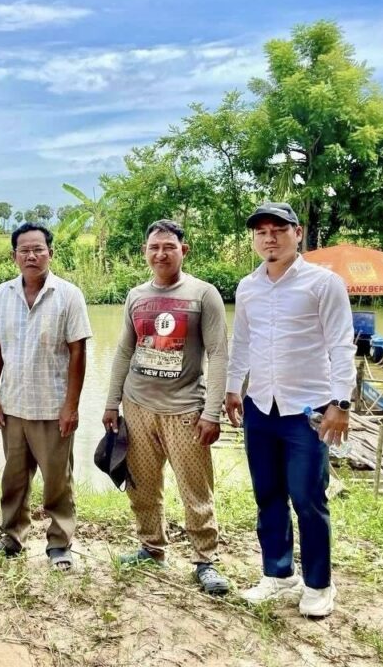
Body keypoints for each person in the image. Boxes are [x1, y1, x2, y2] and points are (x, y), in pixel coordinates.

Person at [224, 202, 355, 618]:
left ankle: (319, 584)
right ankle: (278, 574)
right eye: (261, 232)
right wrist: (232, 388)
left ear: (297, 233)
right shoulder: (248, 287)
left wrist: (341, 403)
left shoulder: (324, 283)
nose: (270, 239)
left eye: (279, 230)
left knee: (308, 498)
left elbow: (341, 344)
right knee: (268, 495)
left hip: (307, 410)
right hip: (260, 406)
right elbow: (242, 342)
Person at [103, 219, 233, 594]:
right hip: (137, 406)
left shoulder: (203, 294)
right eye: (154, 247)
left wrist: (212, 412)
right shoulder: (136, 296)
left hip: (185, 409)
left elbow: (218, 354)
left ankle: (205, 560)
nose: (161, 254)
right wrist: (112, 402)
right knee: (142, 486)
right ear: (145, 252)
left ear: (183, 250)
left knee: (195, 488)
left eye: (169, 247)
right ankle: (150, 548)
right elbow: (124, 351)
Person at [0, 222, 92, 570]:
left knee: (58, 482)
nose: (31, 256)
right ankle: (12, 537)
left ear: (50, 253)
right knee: (13, 479)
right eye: (24, 250)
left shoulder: (69, 295)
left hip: (52, 407)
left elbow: (78, 352)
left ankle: (59, 543)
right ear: (14, 256)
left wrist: (71, 406)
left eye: (38, 249)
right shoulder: (2, 294)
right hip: (13, 405)